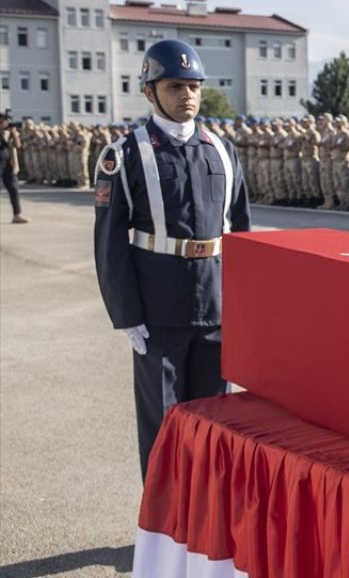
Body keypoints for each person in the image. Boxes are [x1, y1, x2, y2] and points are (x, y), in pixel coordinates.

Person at [92, 39, 251, 480]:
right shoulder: (123, 155)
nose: (188, 96)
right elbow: (109, 243)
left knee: (216, 422)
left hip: (214, 307)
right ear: (149, 92)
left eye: (194, 86)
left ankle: (208, 526)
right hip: (157, 313)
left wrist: (242, 307)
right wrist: (126, 316)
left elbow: (241, 234)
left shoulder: (222, 150)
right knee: (164, 424)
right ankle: (163, 530)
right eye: (175, 86)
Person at [0, 110, 27, 224]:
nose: (7, 123)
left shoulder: (7, 133)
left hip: (7, 164)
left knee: (14, 188)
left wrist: (14, 134)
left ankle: (17, 214)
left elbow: (18, 145)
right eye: (4, 120)